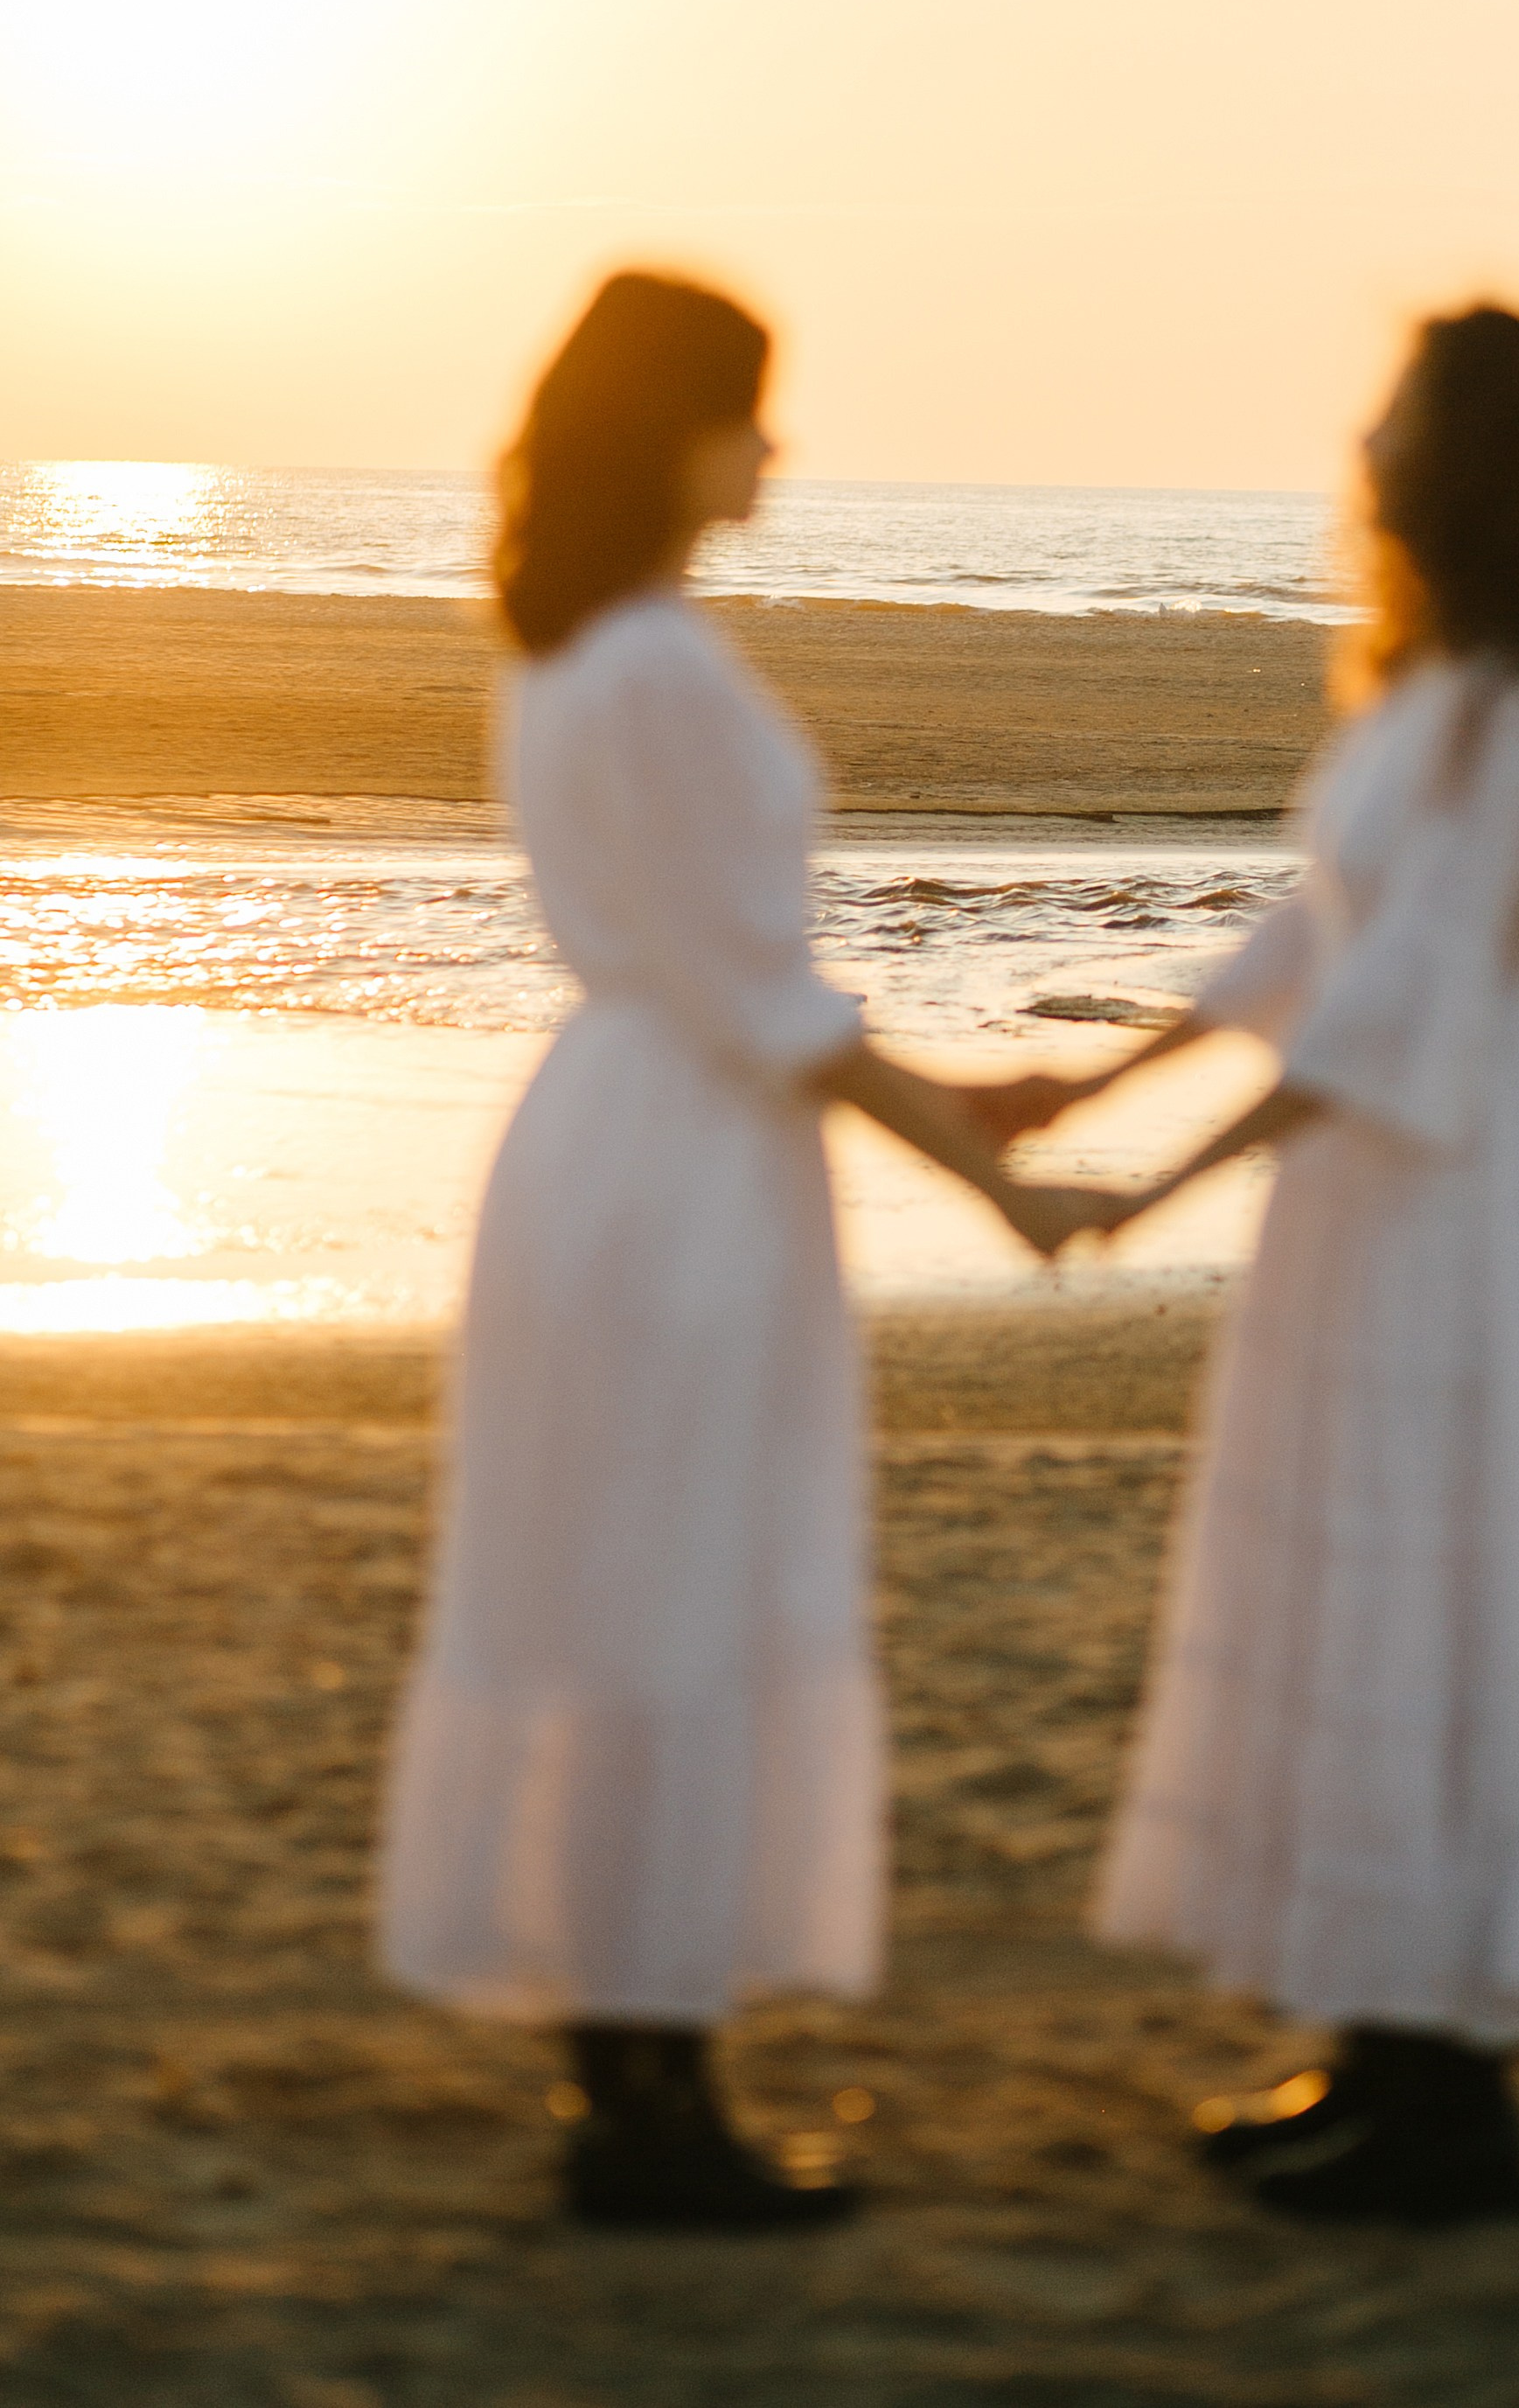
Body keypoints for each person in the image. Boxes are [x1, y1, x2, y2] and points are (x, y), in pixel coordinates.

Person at [379, 269, 1102, 2232]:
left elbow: (720, 977)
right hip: (686, 1170)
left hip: (607, 1131)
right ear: (672, 429)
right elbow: (758, 999)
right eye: (750, 410)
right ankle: (658, 2095)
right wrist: (984, 1169)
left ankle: (623, 2063)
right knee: (681, 1595)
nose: (776, 448)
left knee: (613, 1595)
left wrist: (950, 1087)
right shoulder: (658, 668)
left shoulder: (560, 648)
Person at [980, 303, 1519, 2225]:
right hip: (1363, 1202)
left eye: (1394, 408)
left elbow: (1397, 1017)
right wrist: (1093, 1079)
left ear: (1459, 452)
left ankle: (1453, 2100)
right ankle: (1376, 2046)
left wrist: (1149, 1194)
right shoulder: (1433, 685)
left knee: (1433, 1587)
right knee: (1350, 1574)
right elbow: (1309, 940)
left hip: (1457, 1192)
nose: (1360, 435)